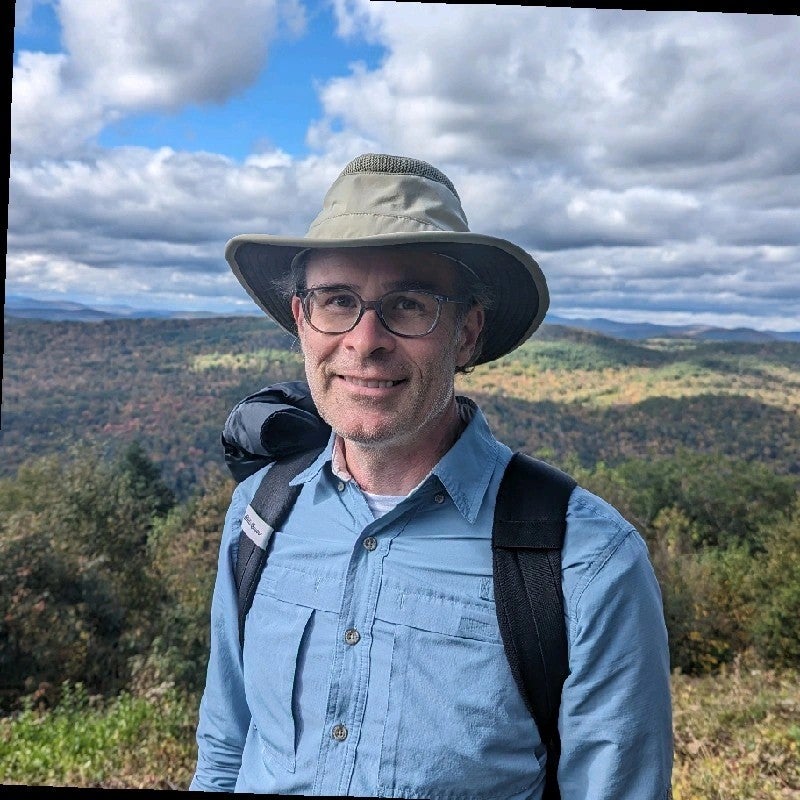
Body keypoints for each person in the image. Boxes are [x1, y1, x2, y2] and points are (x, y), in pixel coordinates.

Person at [190, 153, 673, 798]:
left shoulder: (585, 562)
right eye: (337, 302)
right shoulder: (262, 511)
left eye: (409, 305)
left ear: (468, 332)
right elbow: (227, 745)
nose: (365, 342)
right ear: (303, 321)